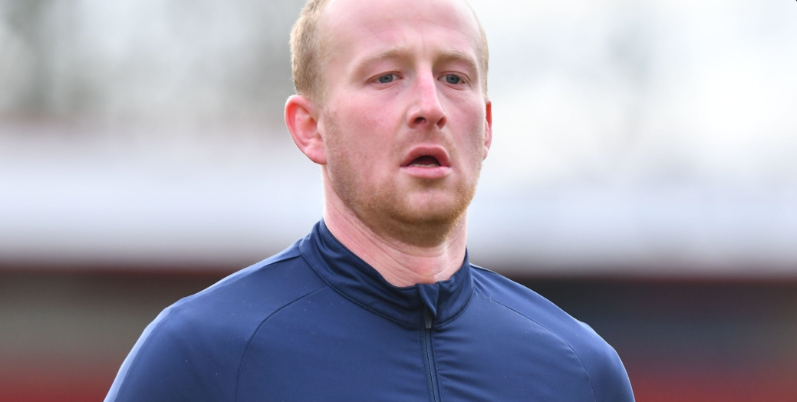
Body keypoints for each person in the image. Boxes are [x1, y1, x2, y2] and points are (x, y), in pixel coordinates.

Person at [105, 0, 635, 400]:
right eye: (387, 77)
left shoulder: (583, 372)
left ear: (487, 127)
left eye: (454, 78)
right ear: (310, 128)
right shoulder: (202, 355)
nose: (430, 106)